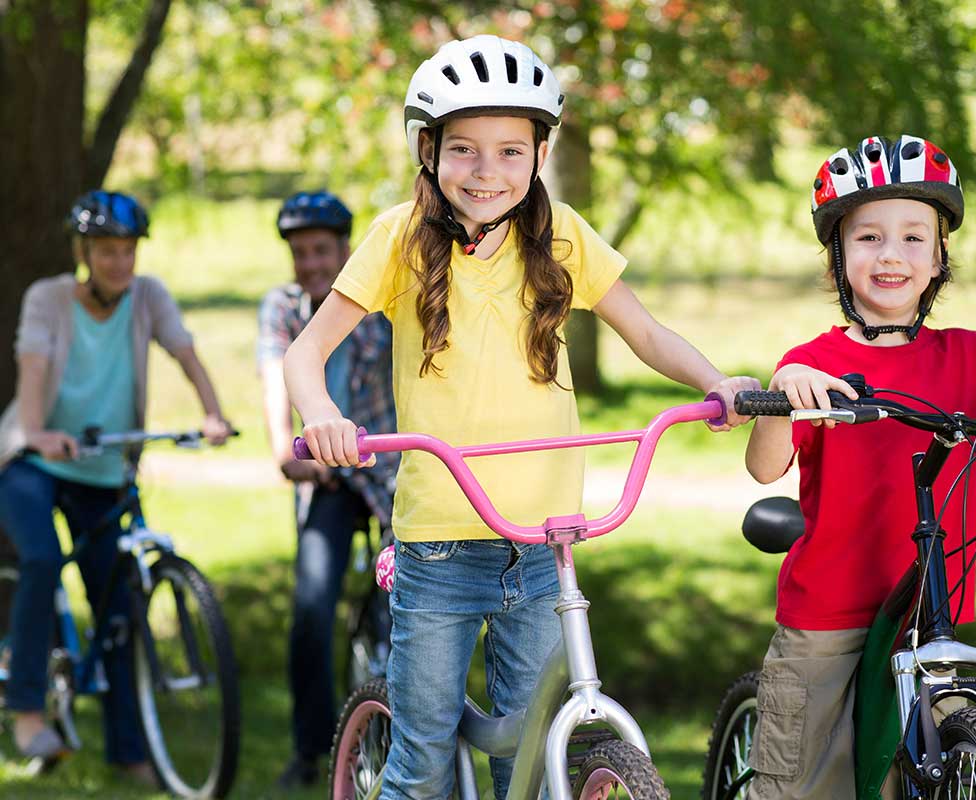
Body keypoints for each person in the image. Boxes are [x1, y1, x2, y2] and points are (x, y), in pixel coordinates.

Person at [284, 34, 760, 800]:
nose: (487, 171)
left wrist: (717, 382)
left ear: (540, 153)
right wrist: (324, 415)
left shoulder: (562, 233)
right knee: (421, 767)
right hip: (439, 547)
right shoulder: (397, 240)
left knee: (532, 766)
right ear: (429, 151)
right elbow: (305, 354)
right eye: (465, 150)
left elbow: (644, 332)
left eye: (511, 151)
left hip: (546, 542)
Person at [742, 135, 976, 800]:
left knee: (941, 767)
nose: (891, 254)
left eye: (914, 237)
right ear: (837, 258)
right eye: (868, 237)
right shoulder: (814, 362)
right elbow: (763, 466)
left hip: (930, 612)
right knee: (800, 782)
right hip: (827, 613)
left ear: (940, 257)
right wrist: (784, 394)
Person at [0, 190, 231, 779]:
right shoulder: (48, 299)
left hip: (103, 469)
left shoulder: (147, 297)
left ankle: (130, 750)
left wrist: (212, 412)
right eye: (106, 251)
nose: (119, 263)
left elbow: (185, 351)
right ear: (84, 251)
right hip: (33, 462)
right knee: (43, 561)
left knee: (120, 606)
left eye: (128, 251)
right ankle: (26, 709)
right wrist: (35, 432)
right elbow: (30, 368)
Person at [258, 190, 398, 787]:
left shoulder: (378, 300)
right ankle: (311, 748)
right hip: (323, 473)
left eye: (322, 250)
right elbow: (274, 373)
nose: (311, 264)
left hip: (390, 465)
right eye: (300, 253)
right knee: (312, 607)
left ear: (345, 248)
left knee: (409, 601)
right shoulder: (284, 307)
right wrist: (281, 448)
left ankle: (397, 741)